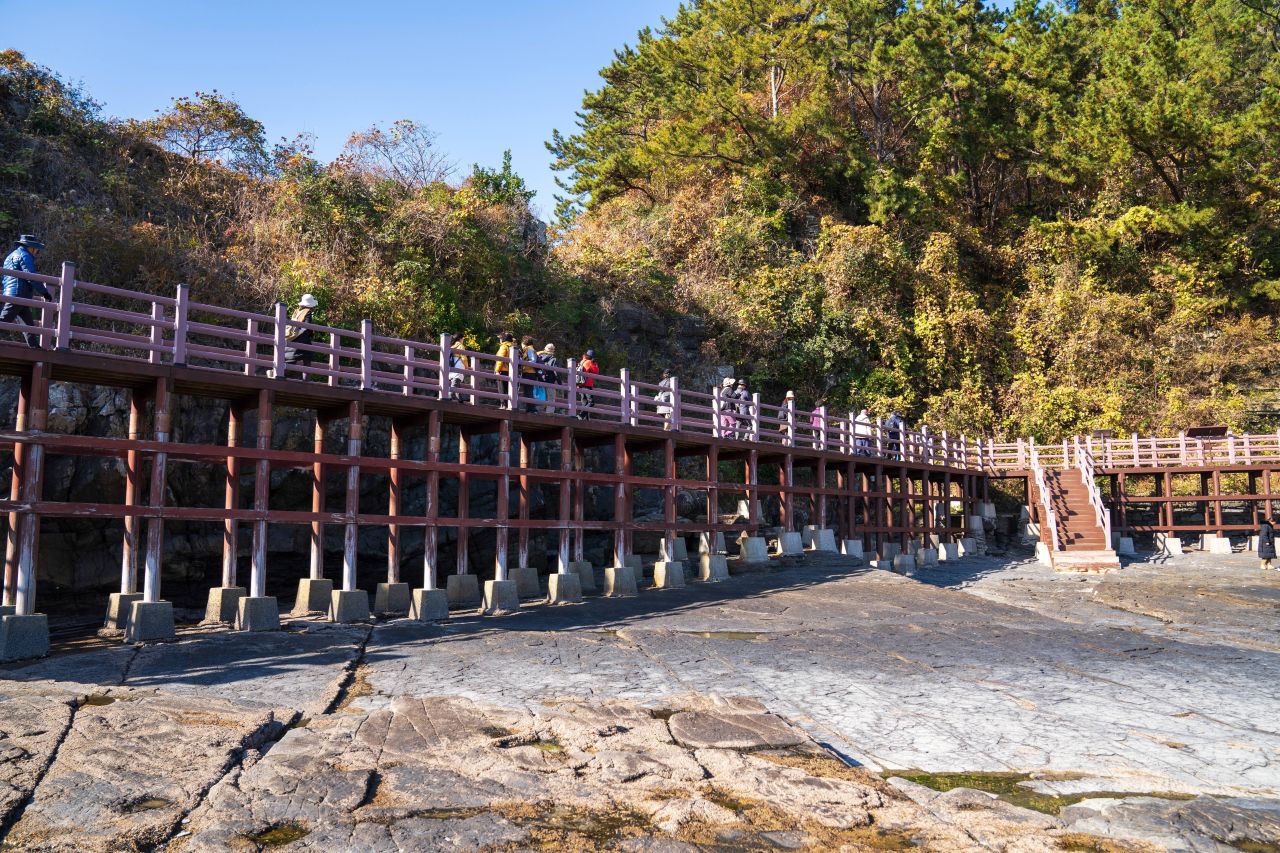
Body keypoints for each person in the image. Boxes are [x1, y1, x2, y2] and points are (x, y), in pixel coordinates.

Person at [1, 234, 52, 348]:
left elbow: (4, 278)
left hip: (15, 293)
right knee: (4, 320)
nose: (36, 252)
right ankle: (35, 348)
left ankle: (35, 348)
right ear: (30, 247)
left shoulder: (10, 256)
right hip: (19, 293)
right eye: (36, 249)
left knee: (28, 324)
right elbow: (31, 276)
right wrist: (44, 292)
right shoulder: (24, 255)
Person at [281, 293, 318, 375]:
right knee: (307, 360)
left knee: (291, 360)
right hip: (303, 339)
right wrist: (299, 333)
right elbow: (306, 326)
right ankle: (306, 382)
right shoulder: (308, 312)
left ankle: (277, 372)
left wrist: (295, 334)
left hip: (292, 338)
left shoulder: (297, 311)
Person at [495, 332, 517, 407]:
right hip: (510, 371)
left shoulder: (504, 346)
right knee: (508, 389)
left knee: (501, 389)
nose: (500, 340)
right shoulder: (513, 346)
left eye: (501, 338)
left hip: (503, 369)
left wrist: (497, 370)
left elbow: (500, 359)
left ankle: (503, 405)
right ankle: (509, 405)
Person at [535, 342, 558, 412]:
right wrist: (558, 381)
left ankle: (538, 411)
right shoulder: (553, 358)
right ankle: (549, 413)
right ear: (553, 350)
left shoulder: (539, 356)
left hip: (540, 379)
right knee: (551, 398)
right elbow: (555, 371)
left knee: (541, 397)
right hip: (550, 380)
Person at [577, 348, 599, 419]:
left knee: (584, 403)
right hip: (587, 385)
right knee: (591, 402)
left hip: (580, 384)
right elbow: (596, 372)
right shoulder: (589, 362)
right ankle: (580, 416)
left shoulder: (582, 361)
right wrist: (595, 364)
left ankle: (585, 420)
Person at [520, 334, 539, 413]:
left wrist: (523, 362)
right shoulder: (528, 349)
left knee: (529, 391)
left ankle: (532, 409)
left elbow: (533, 360)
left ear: (524, 343)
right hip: (527, 372)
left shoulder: (529, 349)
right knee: (527, 391)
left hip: (529, 373)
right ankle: (530, 408)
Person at [448, 333, 470, 401]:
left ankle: (459, 398)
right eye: (463, 338)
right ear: (460, 339)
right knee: (456, 381)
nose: (463, 339)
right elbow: (464, 358)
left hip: (452, 364)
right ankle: (449, 395)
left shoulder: (451, 346)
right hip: (459, 364)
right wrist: (466, 367)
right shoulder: (460, 346)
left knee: (456, 381)